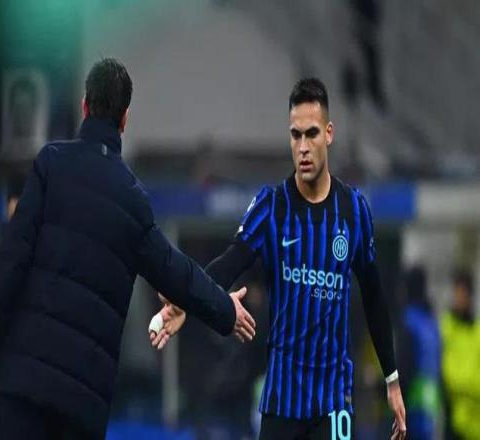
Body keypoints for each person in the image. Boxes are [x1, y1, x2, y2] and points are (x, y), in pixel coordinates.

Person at [0, 58, 256, 440]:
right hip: (79, 407)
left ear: (84, 106)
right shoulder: (133, 200)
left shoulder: (50, 166)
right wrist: (226, 308)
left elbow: (8, 264)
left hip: (21, 389)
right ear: (125, 119)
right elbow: (177, 272)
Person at [150, 78, 406, 439]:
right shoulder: (271, 207)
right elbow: (229, 263)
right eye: (295, 135)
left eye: (311, 134)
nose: (303, 147)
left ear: (329, 134)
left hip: (334, 404)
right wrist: (185, 302)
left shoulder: (354, 210)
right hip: (282, 403)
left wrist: (392, 380)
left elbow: (375, 299)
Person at [397, 266, 441, 440]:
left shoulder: (409, 321)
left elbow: (404, 368)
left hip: (411, 410)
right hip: (430, 409)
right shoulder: (432, 324)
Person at [441, 269, 480, 440]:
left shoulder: (476, 332)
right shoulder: (446, 327)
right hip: (451, 416)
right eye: (456, 293)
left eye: (462, 293)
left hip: (474, 424)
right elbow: (447, 372)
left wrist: (463, 383)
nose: (459, 298)